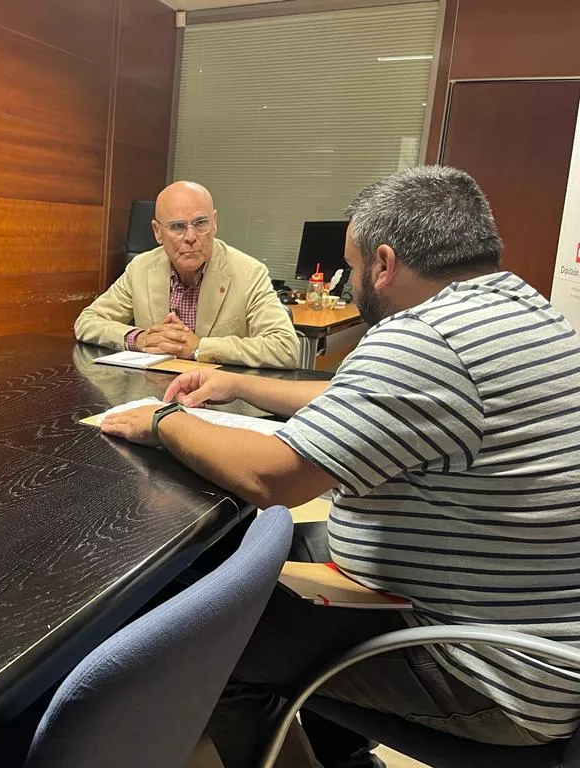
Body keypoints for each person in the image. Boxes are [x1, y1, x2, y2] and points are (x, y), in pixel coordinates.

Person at [101, 166, 580, 767]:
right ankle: (345, 755)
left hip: (489, 675)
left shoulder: (426, 337)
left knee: (208, 645)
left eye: (351, 268)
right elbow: (364, 397)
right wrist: (238, 384)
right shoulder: (517, 308)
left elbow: (271, 478)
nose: (349, 284)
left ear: (384, 264)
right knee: (232, 560)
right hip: (526, 633)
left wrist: (163, 422)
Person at [73, 181, 299, 368]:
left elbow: (285, 348)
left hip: (220, 398)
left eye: (200, 223)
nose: (191, 237)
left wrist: (199, 347)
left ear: (214, 223)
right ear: (157, 232)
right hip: (152, 393)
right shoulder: (141, 268)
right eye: (178, 227)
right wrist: (139, 339)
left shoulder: (248, 273)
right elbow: (87, 321)